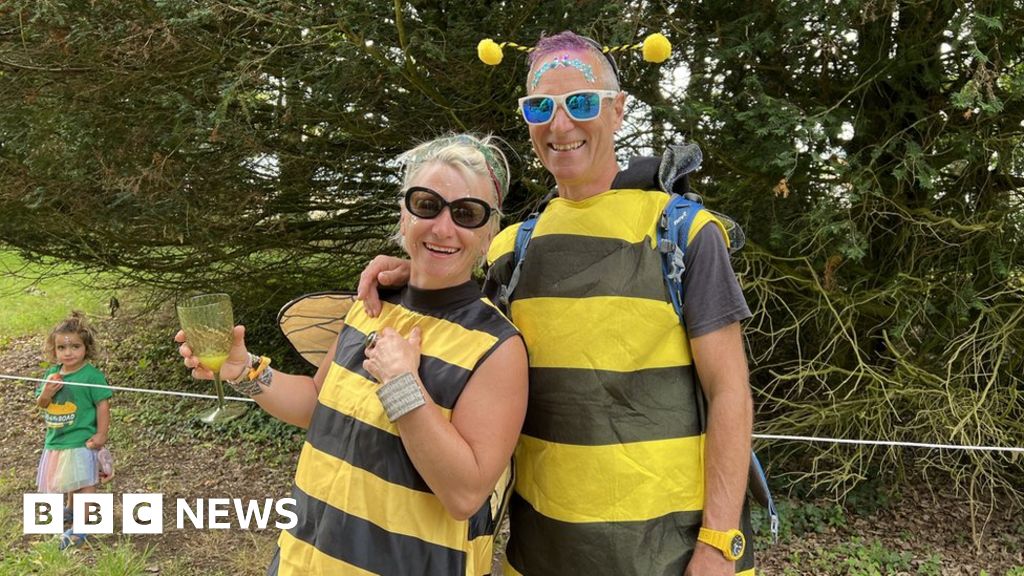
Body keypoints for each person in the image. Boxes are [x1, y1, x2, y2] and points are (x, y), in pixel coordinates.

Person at [358, 32, 756, 576]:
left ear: (617, 112)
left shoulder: (682, 233)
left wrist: (717, 544)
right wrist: (415, 271)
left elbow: (729, 390)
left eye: (583, 103)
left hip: (669, 559)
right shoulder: (511, 248)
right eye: (541, 106)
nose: (560, 124)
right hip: (538, 556)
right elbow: (463, 324)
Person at [176, 134, 528, 576]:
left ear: (489, 231)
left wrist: (402, 385)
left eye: (466, 213)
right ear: (404, 213)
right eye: (426, 203)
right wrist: (245, 370)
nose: (443, 227)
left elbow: (465, 494)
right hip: (302, 560)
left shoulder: (497, 347)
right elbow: (314, 404)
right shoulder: (371, 304)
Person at [35, 311, 114, 550]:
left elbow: (103, 404)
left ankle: (83, 526)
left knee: (86, 482)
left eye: (75, 346)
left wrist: (101, 434)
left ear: (86, 348)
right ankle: (70, 510)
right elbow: (41, 403)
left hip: (82, 439)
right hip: (57, 439)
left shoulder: (91, 375)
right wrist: (47, 392)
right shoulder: (52, 374)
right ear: (54, 350)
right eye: (61, 348)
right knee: (69, 479)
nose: (68, 353)